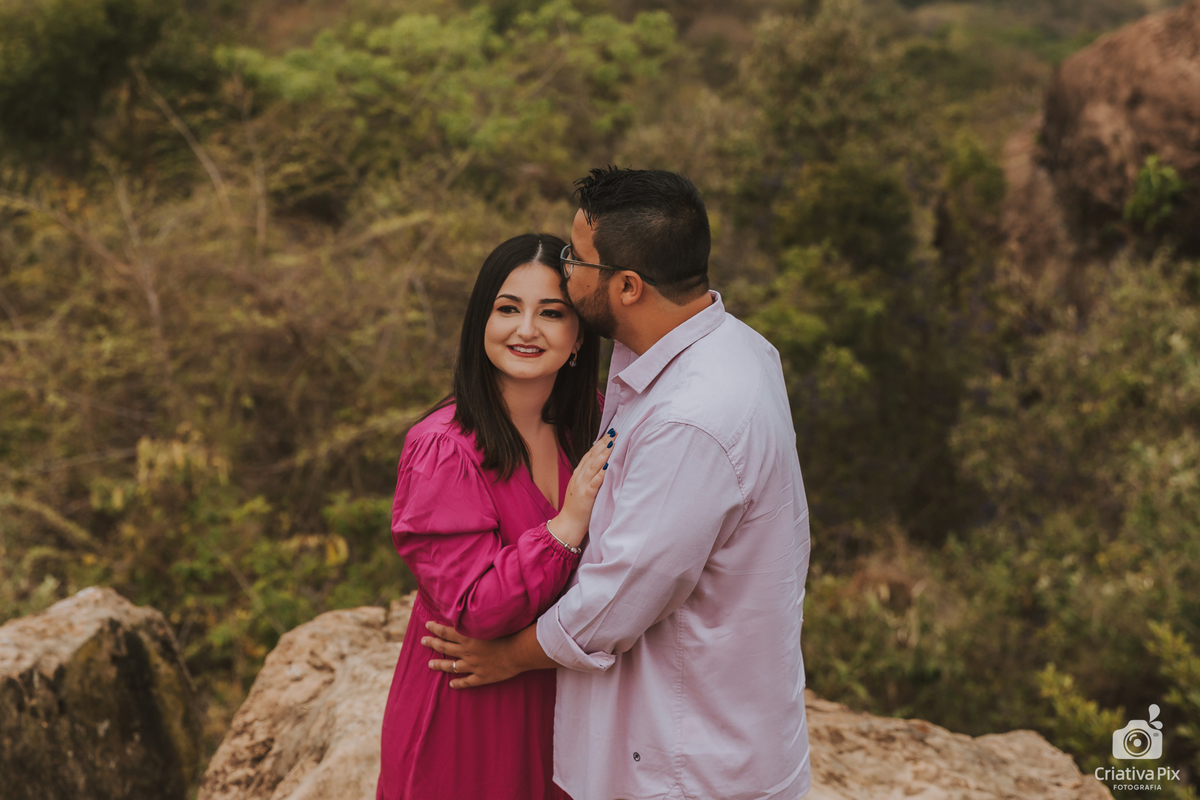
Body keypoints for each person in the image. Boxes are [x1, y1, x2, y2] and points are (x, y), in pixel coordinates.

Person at [422, 168, 813, 800]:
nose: (566, 271)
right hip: (719, 730)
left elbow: (615, 602)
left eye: (576, 261)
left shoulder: (689, 419)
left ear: (627, 286)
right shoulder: (737, 348)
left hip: (686, 762)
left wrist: (506, 656)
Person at [375, 232, 613, 800]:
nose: (526, 329)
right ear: (481, 321)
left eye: (551, 313)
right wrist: (565, 525)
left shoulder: (594, 424)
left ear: (579, 336)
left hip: (564, 699)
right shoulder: (444, 448)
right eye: (508, 309)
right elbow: (475, 606)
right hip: (471, 709)